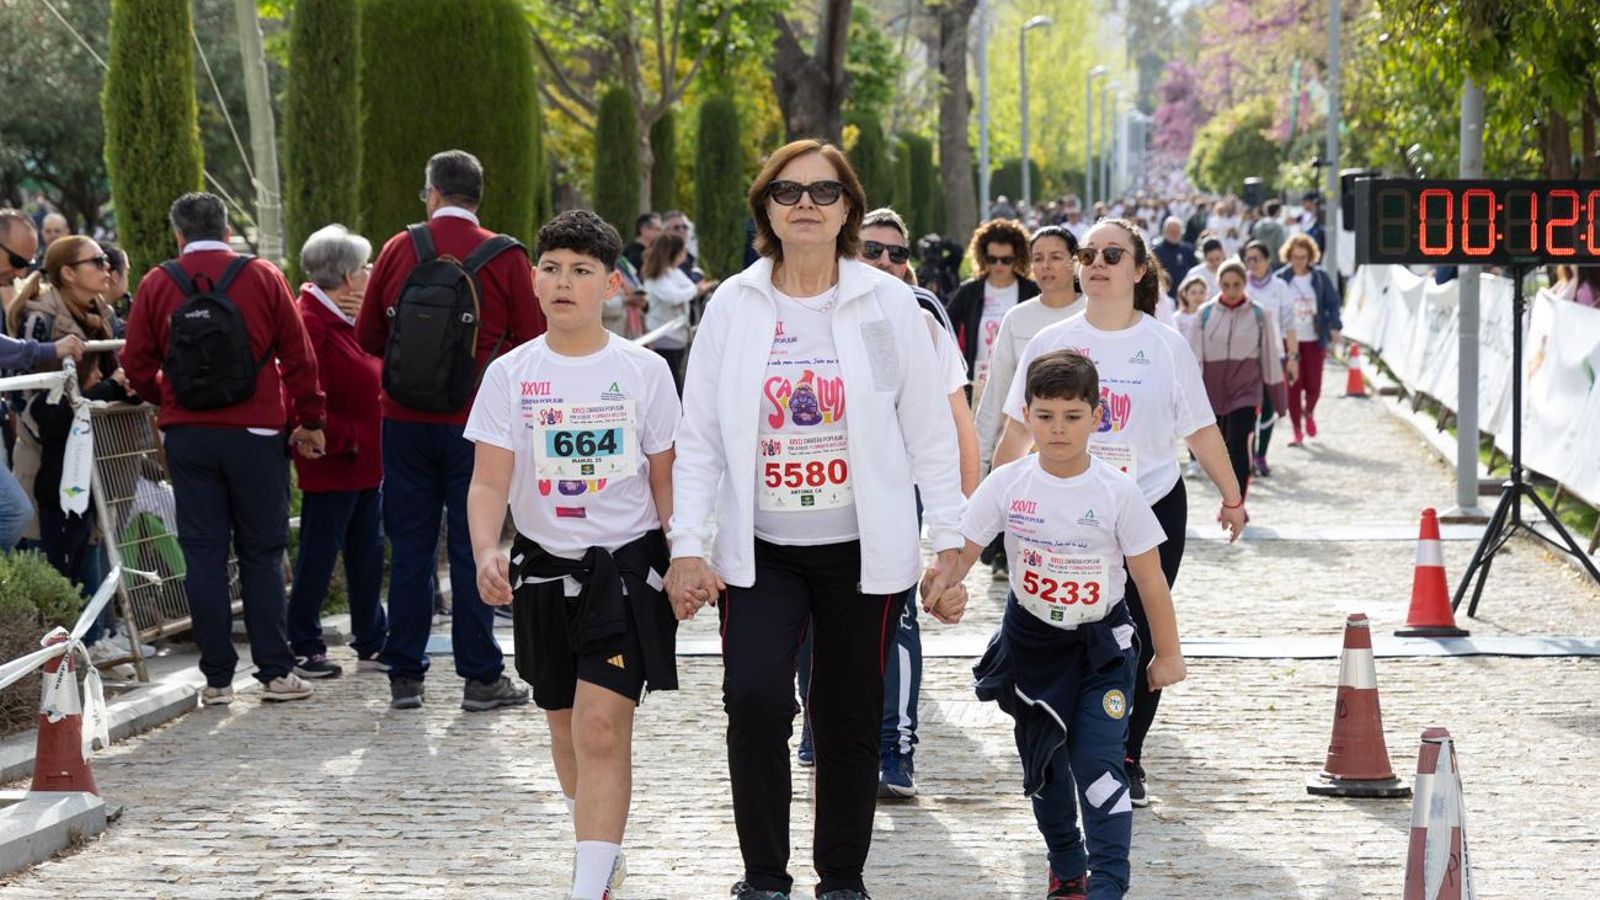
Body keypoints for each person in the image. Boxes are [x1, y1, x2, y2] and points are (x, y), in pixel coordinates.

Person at [664, 139, 965, 900]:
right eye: (789, 191)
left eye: (824, 192)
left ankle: (842, 877)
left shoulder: (889, 303)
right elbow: (698, 435)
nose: (806, 204)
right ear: (765, 206)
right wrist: (688, 546)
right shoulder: (733, 303)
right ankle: (764, 874)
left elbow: (929, 432)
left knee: (847, 716)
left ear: (848, 210)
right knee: (756, 698)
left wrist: (951, 542)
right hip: (761, 552)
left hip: (861, 554)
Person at [992, 218, 1245, 808]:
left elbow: (1201, 429)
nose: (1097, 262)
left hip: (1150, 503)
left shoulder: (1164, 343)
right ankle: (1061, 734)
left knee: (1138, 630)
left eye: (1113, 253)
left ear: (1139, 270)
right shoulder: (1050, 341)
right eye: (1089, 253)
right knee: (1068, 625)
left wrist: (1231, 497)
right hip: (1062, 510)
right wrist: (992, 510)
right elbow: (1015, 433)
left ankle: (1126, 752)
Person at [466, 210, 680, 900]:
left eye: (582, 271)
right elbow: (490, 478)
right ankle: (597, 844)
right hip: (542, 571)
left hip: (623, 571)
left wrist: (686, 556)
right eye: (552, 268)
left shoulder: (643, 372)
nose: (565, 283)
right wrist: (483, 552)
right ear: (533, 280)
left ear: (611, 284)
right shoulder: (509, 375)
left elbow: (666, 477)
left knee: (598, 725)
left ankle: (589, 885)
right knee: (562, 722)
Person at [937, 349, 1185, 900]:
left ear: (1097, 417)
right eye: (1045, 416)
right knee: (1047, 768)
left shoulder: (1118, 492)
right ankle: (1067, 862)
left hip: (1102, 648)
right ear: (1027, 415)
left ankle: (1109, 884)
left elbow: (1150, 580)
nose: (1058, 429)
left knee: (1098, 761)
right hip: (1033, 646)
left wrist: (1167, 655)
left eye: (1073, 416)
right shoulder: (1007, 484)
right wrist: (941, 583)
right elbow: (964, 550)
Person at [356, 149, 545, 711]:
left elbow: (368, 336)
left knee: (410, 548)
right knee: (475, 546)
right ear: (478, 196)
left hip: (403, 421)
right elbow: (533, 341)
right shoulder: (507, 256)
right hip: (477, 424)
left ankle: (405, 676)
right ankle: (481, 677)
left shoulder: (399, 248)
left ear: (432, 192)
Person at [122, 192, 326, 705]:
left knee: (204, 555)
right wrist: (311, 419)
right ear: (228, 230)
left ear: (178, 235)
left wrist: (167, 398)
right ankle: (276, 673)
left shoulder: (156, 282)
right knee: (261, 553)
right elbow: (298, 356)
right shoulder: (261, 277)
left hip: (188, 436)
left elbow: (137, 362)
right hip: (256, 432)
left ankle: (216, 681)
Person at [284, 225, 389, 679]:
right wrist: (339, 434)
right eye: (365, 266)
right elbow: (303, 387)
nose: (370, 273)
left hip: (365, 458)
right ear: (347, 276)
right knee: (319, 555)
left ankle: (371, 640)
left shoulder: (348, 315)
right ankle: (304, 644)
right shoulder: (310, 318)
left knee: (367, 554)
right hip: (336, 454)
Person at [1188, 260, 1288, 505]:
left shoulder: (1259, 314)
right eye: (1226, 285)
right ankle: (1228, 495)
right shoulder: (1205, 314)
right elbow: (1192, 360)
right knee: (1220, 449)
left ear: (1245, 284)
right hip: (1213, 393)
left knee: (1238, 442)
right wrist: (1189, 396)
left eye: (1236, 285)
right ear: (1218, 284)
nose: (1231, 290)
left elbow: (1270, 357)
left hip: (1246, 391)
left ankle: (1237, 502)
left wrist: (1278, 398)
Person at [945, 219, 1039, 401]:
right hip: (979, 385)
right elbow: (945, 329)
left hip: (1023, 385)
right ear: (982, 257)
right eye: (992, 259)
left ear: (1018, 258)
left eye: (1006, 260)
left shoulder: (1031, 291)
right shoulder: (969, 291)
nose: (998, 265)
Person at [1276, 233, 1342, 446]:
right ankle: (1297, 430)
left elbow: (1333, 303)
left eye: (1303, 257)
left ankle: (1309, 412)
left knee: (1314, 385)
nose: (1299, 261)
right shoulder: (1281, 278)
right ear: (1289, 256)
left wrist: (1334, 326)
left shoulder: (1320, 278)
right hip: (1289, 341)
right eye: (1295, 256)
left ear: (1310, 256)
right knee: (1294, 387)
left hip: (1314, 338)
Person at [1241, 240, 1298, 476]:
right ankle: (1247, 456)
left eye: (1257, 258)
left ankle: (1261, 454)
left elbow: (1289, 325)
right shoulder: (1240, 283)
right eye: (1248, 259)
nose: (1252, 264)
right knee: (1246, 409)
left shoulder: (1280, 287)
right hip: (1245, 357)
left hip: (1275, 355)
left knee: (1268, 407)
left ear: (1267, 260)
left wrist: (1293, 357)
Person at [641, 231, 716, 393]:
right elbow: (675, 296)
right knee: (671, 382)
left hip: (678, 335)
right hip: (663, 335)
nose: (685, 254)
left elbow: (688, 288)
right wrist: (696, 289)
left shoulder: (673, 272)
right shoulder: (656, 277)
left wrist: (694, 289)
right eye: (682, 251)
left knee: (679, 378)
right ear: (673, 253)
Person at [1151, 218, 1196, 301]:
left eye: (1177, 232)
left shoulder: (1187, 249)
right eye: (1172, 232)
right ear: (1165, 231)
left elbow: (1194, 270)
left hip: (1184, 295)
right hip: (1163, 295)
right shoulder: (1156, 250)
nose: (1174, 234)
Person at [1173, 272, 1207, 344]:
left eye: (1201, 292)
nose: (1198, 296)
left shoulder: (1209, 316)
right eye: (1193, 293)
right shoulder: (1177, 318)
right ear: (1185, 295)